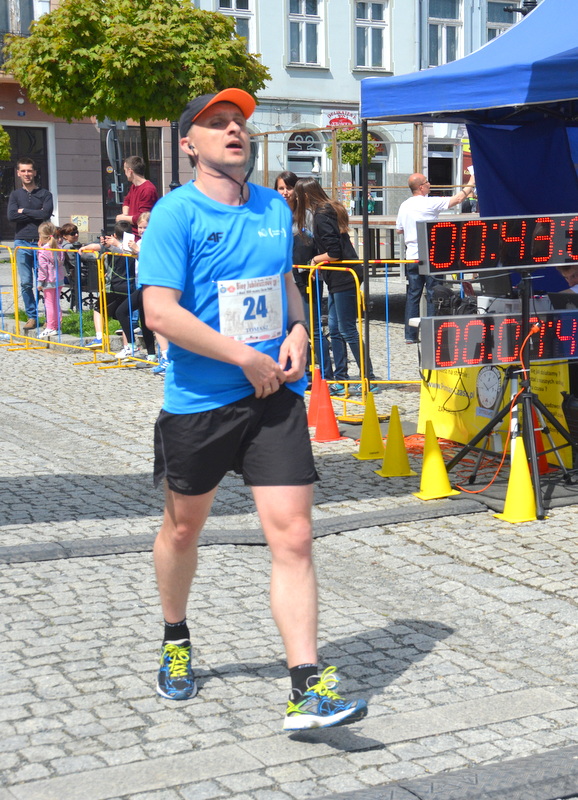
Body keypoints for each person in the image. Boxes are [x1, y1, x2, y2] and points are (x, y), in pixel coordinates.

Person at [139, 88, 367, 731]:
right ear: (189, 144)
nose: (234, 130)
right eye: (217, 124)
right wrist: (243, 357)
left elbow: (285, 284)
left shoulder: (272, 206)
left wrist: (298, 332)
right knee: (182, 530)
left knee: (293, 535)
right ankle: (176, 636)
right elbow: (160, 313)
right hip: (201, 403)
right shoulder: (175, 214)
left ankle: (305, 688)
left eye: (239, 121)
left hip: (274, 399)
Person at [293, 177, 377, 396]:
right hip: (337, 276)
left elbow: (334, 252)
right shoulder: (327, 210)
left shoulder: (321, 215)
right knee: (336, 329)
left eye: (298, 197)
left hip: (344, 276)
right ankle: (340, 379)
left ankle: (369, 378)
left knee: (347, 330)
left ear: (305, 196)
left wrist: (315, 260)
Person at [396, 171, 475, 344]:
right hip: (431, 256)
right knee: (434, 294)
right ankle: (432, 334)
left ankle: (410, 335)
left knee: (413, 295)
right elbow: (458, 199)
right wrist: (471, 181)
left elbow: (399, 230)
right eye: (426, 182)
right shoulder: (429, 203)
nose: (429, 183)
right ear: (421, 187)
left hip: (412, 257)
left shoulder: (404, 205)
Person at [274, 170, 332, 384]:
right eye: (281, 188)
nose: (285, 192)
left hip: (306, 278)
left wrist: (314, 264)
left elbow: (316, 244)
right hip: (282, 279)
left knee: (311, 327)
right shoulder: (273, 215)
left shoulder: (307, 214)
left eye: (289, 188)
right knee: (290, 328)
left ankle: (326, 374)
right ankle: (302, 371)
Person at [7, 158, 54, 330]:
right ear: (18, 173)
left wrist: (24, 211)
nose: (26, 174)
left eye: (29, 171)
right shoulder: (15, 195)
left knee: (45, 283)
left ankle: (50, 318)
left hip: (42, 244)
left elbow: (45, 214)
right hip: (21, 242)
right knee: (26, 283)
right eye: (23, 171)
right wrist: (36, 212)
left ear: (34, 172)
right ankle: (32, 317)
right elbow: (12, 216)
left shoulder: (45, 194)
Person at [116, 156, 159, 235]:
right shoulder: (134, 186)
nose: (125, 174)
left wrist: (122, 218)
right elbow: (127, 201)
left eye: (125, 170)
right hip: (132, 235)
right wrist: (125, 214)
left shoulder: (148, 189)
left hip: (141, 236)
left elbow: (142, 217)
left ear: (130, 171)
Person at [36, 221, 65, 338]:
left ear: (42, 236)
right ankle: (57, 325)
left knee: (49, 304)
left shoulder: (43, 251)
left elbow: (42, 269)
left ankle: (50, 327)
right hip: (59, 279)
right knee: (56, 303)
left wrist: (40, 282)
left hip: (48, 280)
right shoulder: (59, 247)